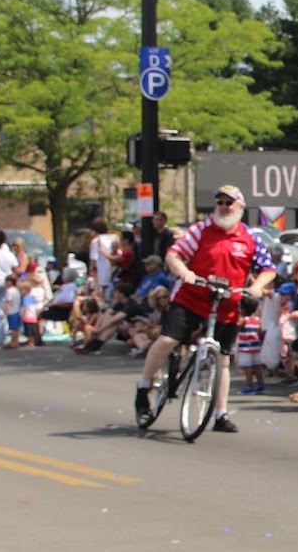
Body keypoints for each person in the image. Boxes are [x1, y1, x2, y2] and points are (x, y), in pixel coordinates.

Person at [133, 185, 276, 434]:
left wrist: (257, 288)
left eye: (228, 203)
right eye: (219, 202)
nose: (223, 207)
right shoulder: (200, 230)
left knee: (222, 359)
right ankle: (144, 386)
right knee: (167, 339)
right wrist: (184, 272)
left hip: (227, 303)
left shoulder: (250, 237)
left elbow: (268, 268)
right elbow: (174, 255)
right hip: (192, 297)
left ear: (240, 208)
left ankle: (220, 413)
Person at [236, 295, 266, 395]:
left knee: (247, 367)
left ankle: (249, 386)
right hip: (256, 346)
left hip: (245, 348)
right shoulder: (258, 320)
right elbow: (261, 331)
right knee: (257, 366)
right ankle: (261, 384)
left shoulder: (244, 320)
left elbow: (237, 327)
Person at [88, 219, 118, 300]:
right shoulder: (115, 238)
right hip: (115, 272)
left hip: (102, 275)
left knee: (103, 299)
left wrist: (92, 276)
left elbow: (93, 262)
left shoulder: (96, 241)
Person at [2, 274, 23, 348]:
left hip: (11, 311)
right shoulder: (16, 290)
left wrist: (4, 313)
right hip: (17, 310)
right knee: (16, 328)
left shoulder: (9, 291)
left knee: (13, 328)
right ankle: (16, 341)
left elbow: (8, 302)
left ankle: (13, 343)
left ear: (10, 282)